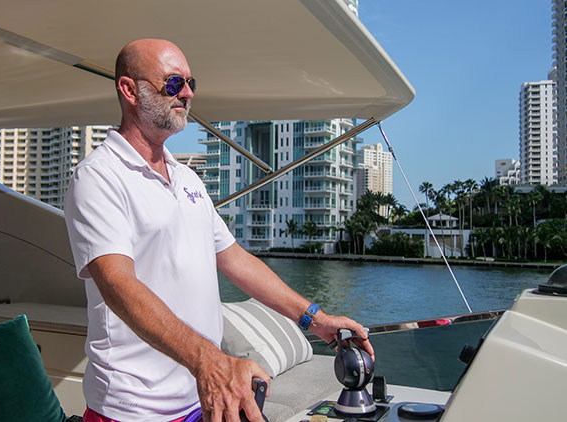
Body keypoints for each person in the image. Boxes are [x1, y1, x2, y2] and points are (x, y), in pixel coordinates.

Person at [64, 38, 373, 422]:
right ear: (129, 90)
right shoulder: (98, 176)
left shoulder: (187, 177)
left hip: (202, 398)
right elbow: (117, 285)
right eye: (174, 84)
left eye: (192, 82)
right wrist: (210, 361)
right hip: (134, 409)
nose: (188, 93)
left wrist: (315, 318)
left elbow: (236, 260)